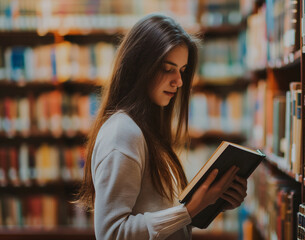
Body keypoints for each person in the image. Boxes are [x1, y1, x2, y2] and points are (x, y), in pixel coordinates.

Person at [76, 14, 248, 240]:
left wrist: (212, 201)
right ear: (139, 67)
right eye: (168, 68)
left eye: (182, 70)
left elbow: (155, 210)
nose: (179, 81)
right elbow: (111, 233)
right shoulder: (123, 133)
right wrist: (189, 210)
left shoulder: (146, 129)